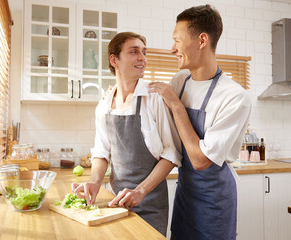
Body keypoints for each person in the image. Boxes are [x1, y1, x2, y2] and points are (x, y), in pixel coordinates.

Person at [149, 5, 252, 240]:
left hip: (214, 200)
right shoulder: (179, 80)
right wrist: (115, 96)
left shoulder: (234, 96)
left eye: (177, 40)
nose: (172, 48)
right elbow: (152, 115)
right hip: (185, 195)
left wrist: (177, 106)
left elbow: (200, 160)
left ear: (202, 40)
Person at [72, 32, 182, 236]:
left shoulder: (154, 99)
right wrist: (95, 181)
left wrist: (141, 191)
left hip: (151, 205)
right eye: (134, 52)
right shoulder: (104, 105)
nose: (142, 58)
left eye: (144, 52)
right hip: (117, 203)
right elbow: (101, 152)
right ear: (115, 60)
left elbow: (172, 153)